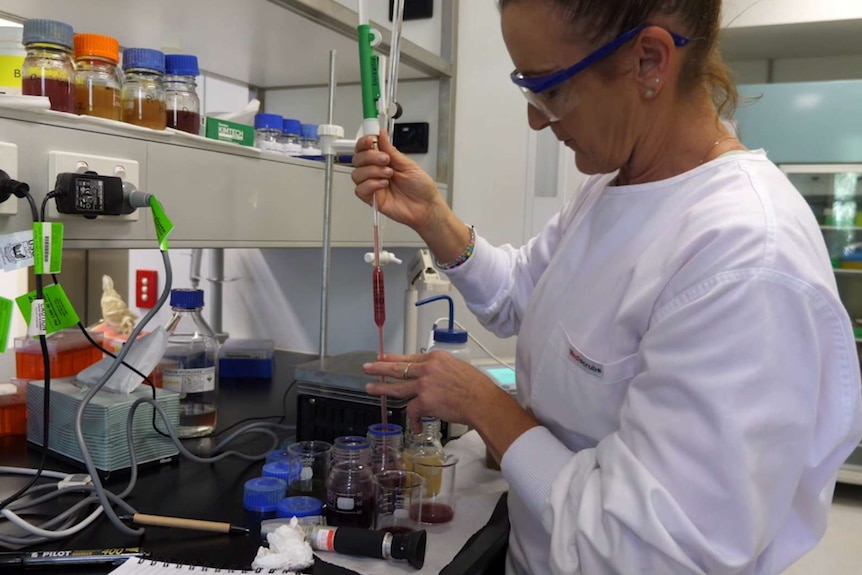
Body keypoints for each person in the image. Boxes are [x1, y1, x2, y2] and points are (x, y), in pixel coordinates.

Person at [352, 1, 862, 573]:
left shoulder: (744, 258)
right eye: (527, 87)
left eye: (549, 88)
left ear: (649, 60)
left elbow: (650, 549)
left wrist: (484, 405)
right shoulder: (615, 185)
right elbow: (521, 292)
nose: (536, 120)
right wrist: (435, 220)